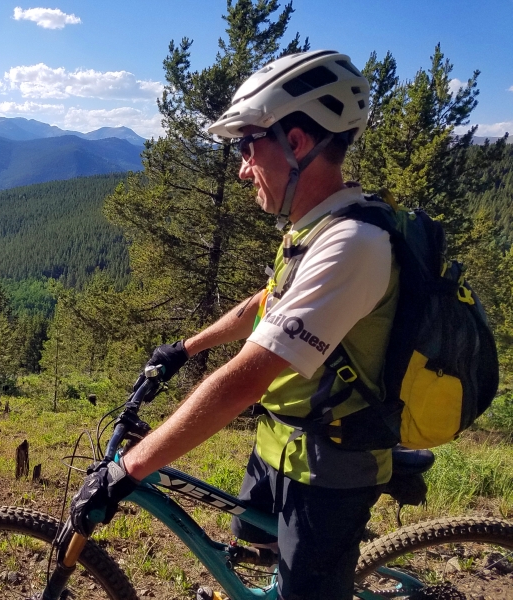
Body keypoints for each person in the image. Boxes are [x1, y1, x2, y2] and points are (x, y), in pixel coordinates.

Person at [71, 50, 396, 600]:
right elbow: (265, 303)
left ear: (296, 143)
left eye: (248, 146)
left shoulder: (352, 245)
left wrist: (129, 470)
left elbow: (245, 380)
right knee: (247, 539)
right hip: (285, 439)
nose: (243, 167)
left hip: (331, 466)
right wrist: (185, 347)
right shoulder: (313, 229)